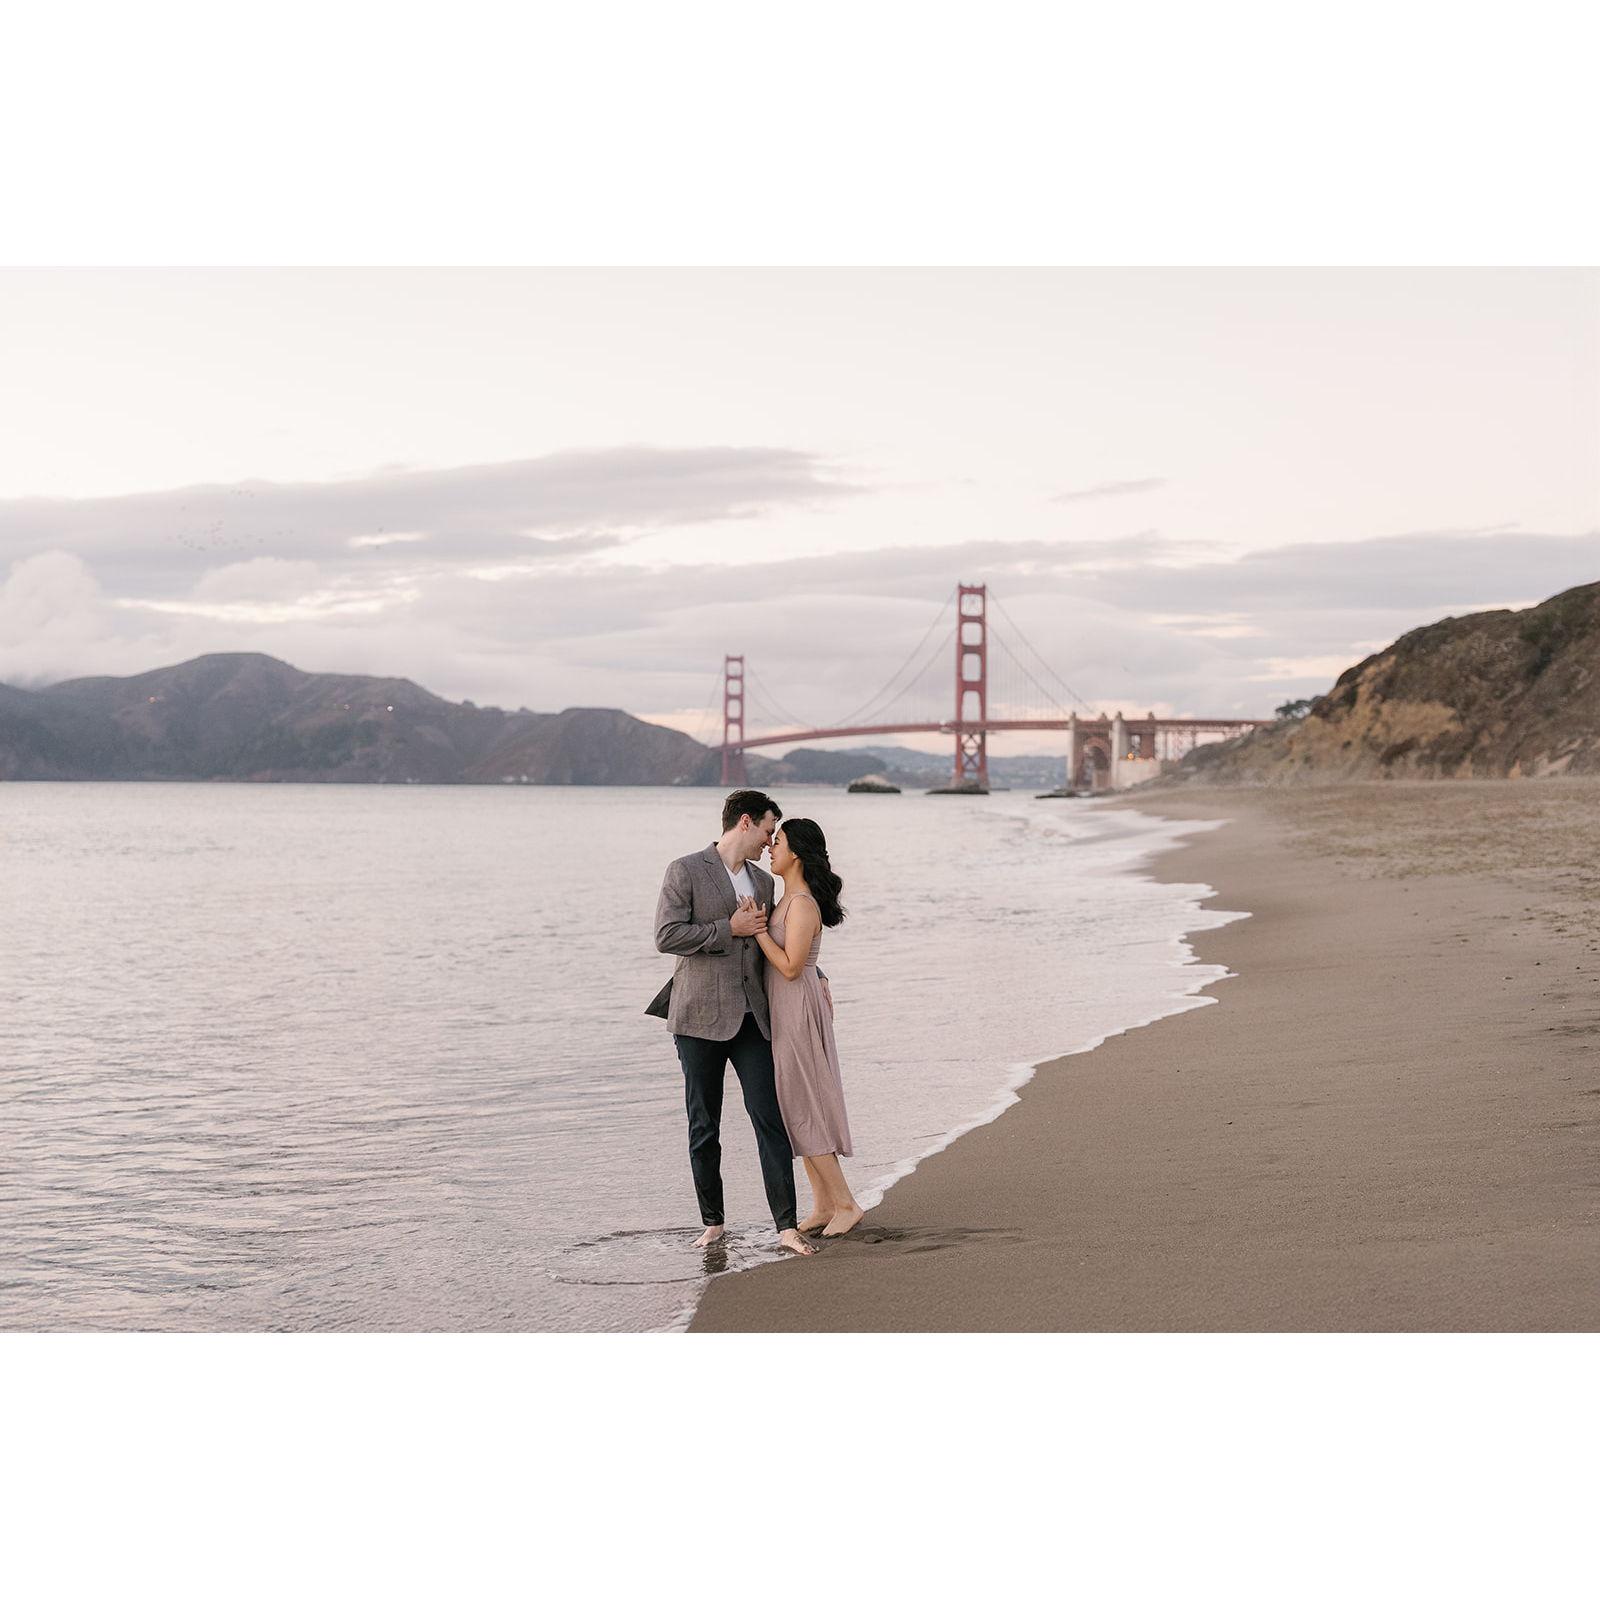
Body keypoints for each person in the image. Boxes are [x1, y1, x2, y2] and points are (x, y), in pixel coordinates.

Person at [650, 790, 817, 1258]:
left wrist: (814, 977)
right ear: (745, 822)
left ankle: (786, 1225)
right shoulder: (685, 870)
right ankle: (713, 1223)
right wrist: (729, 928)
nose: (770, 841)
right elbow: (666, 936)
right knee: (704, 1125)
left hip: (752, 1018)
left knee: (770, 1120)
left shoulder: (764, 884)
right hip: (697, 1017)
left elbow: (779, 942)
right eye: (768, 829)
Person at [754, 818, 863, 1238]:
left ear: (795, 851)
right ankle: (821, 1205)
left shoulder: (800, 904)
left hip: (797, 1009)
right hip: (789, 1008)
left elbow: (791, 965)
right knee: (795, 1104)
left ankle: (846, 1203)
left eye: (776, 841)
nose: (770, 848)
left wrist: (759, 931)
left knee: (804, 1107)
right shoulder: (788, 899)